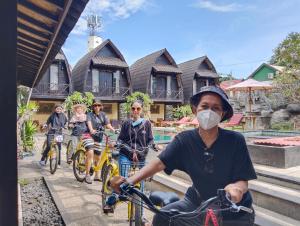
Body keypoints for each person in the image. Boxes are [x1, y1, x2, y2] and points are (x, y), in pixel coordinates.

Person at [110, 86, 257, 226]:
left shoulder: (235, 140)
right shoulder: (185, 140)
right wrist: (129, 181)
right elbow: (159, 162)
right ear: (195, 110)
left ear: (222, 114)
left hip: (233, 211)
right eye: (204, 107)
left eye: (216, 108)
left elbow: (242, 181)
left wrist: (234, 191)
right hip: (196, 202)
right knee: (162, 217)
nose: (209, 112)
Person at [104, 99, 156, 214]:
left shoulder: (147, 123)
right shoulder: (126, 123)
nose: (136, 111)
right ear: (131, 110)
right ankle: (111, 201)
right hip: (126, 154)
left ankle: (140, 215)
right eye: (133, 108)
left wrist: (154, 145)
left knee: (141, 186)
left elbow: (150, 139)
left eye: (138, 108)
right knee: (123, 181)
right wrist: (117, 143)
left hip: (141, 157)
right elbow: (121, 138)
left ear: (141, 110)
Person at [84, 98, 116, 184]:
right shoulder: (89, 114)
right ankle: (87, 174)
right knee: (90, 152)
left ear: (101, 106)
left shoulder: (103, 115)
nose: (97, 107)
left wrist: (113, 129)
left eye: (98, 105)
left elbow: (107, 124)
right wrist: (91, 129)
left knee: (98, 157)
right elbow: (89, 122)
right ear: (92, 106)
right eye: (95, 105)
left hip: (99, 136)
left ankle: (97, 175)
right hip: (88, 135)